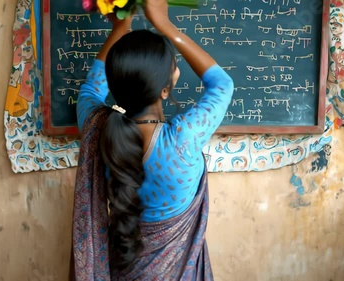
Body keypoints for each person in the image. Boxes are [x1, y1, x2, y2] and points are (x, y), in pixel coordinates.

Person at [72, 0, 234, 279]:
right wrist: (165, 25)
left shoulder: (97, 128)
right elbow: (222, 84)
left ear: (114, 85)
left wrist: (121, 27)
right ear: (164, 91)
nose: (177, 70)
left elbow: (90, 89)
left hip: (120, 269)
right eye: (174, 67)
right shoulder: (182, 139)